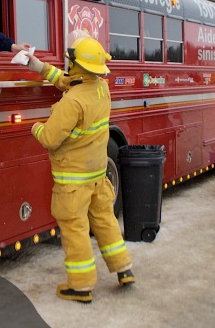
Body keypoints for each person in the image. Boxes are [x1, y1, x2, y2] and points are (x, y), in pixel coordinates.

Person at [26, 36, 134, 303]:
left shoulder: (72, 102)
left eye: (71, 62)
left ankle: (81, 286)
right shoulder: (101, 88)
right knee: (105, 221)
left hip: (73, 181)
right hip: (97, 175)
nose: (68, 65)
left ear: (77, 65)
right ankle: (123, 268)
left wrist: (35, 127)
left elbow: (50, 138)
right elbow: (68, 81)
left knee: (75, 229)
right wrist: (38, 66)